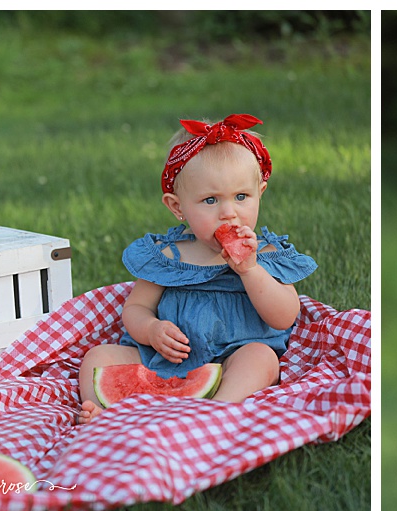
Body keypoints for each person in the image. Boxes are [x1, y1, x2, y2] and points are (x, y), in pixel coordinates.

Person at [75, 113, 318, 423]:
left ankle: (219, 411)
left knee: (261, 359)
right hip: (162, 361)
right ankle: (98, 410)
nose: (229, 213)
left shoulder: (266, 254)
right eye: (210, 200)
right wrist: (151, 330)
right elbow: (135, 308)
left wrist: (250, 270)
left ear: (261, 193)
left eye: (241, 196)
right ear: (177, 206)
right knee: (97, 357)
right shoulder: (169, 256)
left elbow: (285, 316)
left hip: (233, 356)